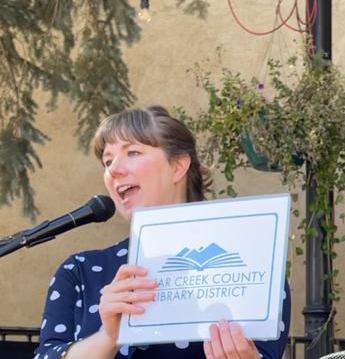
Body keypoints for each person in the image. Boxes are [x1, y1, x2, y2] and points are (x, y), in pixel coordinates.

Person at [34, 105, 291, 359]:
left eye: (133, 152)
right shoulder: (80, 271)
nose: (114, 170)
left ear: (178, 166)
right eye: (108, 161)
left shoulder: (254, 267)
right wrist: (108, 337)